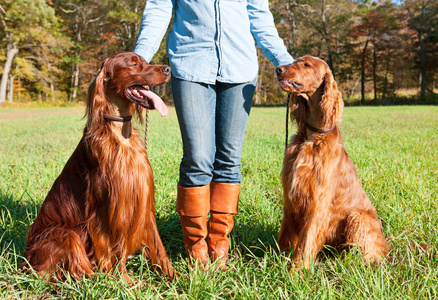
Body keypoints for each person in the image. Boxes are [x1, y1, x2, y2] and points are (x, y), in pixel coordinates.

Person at [134, 0, 294, 267]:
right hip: (190, 66)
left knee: (229, 160)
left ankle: (220, 242)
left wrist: (286, 62)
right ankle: (196, 245)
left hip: (240, 69)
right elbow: (159, 10)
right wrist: (139, 61)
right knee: (197, 158)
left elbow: (259, 17)